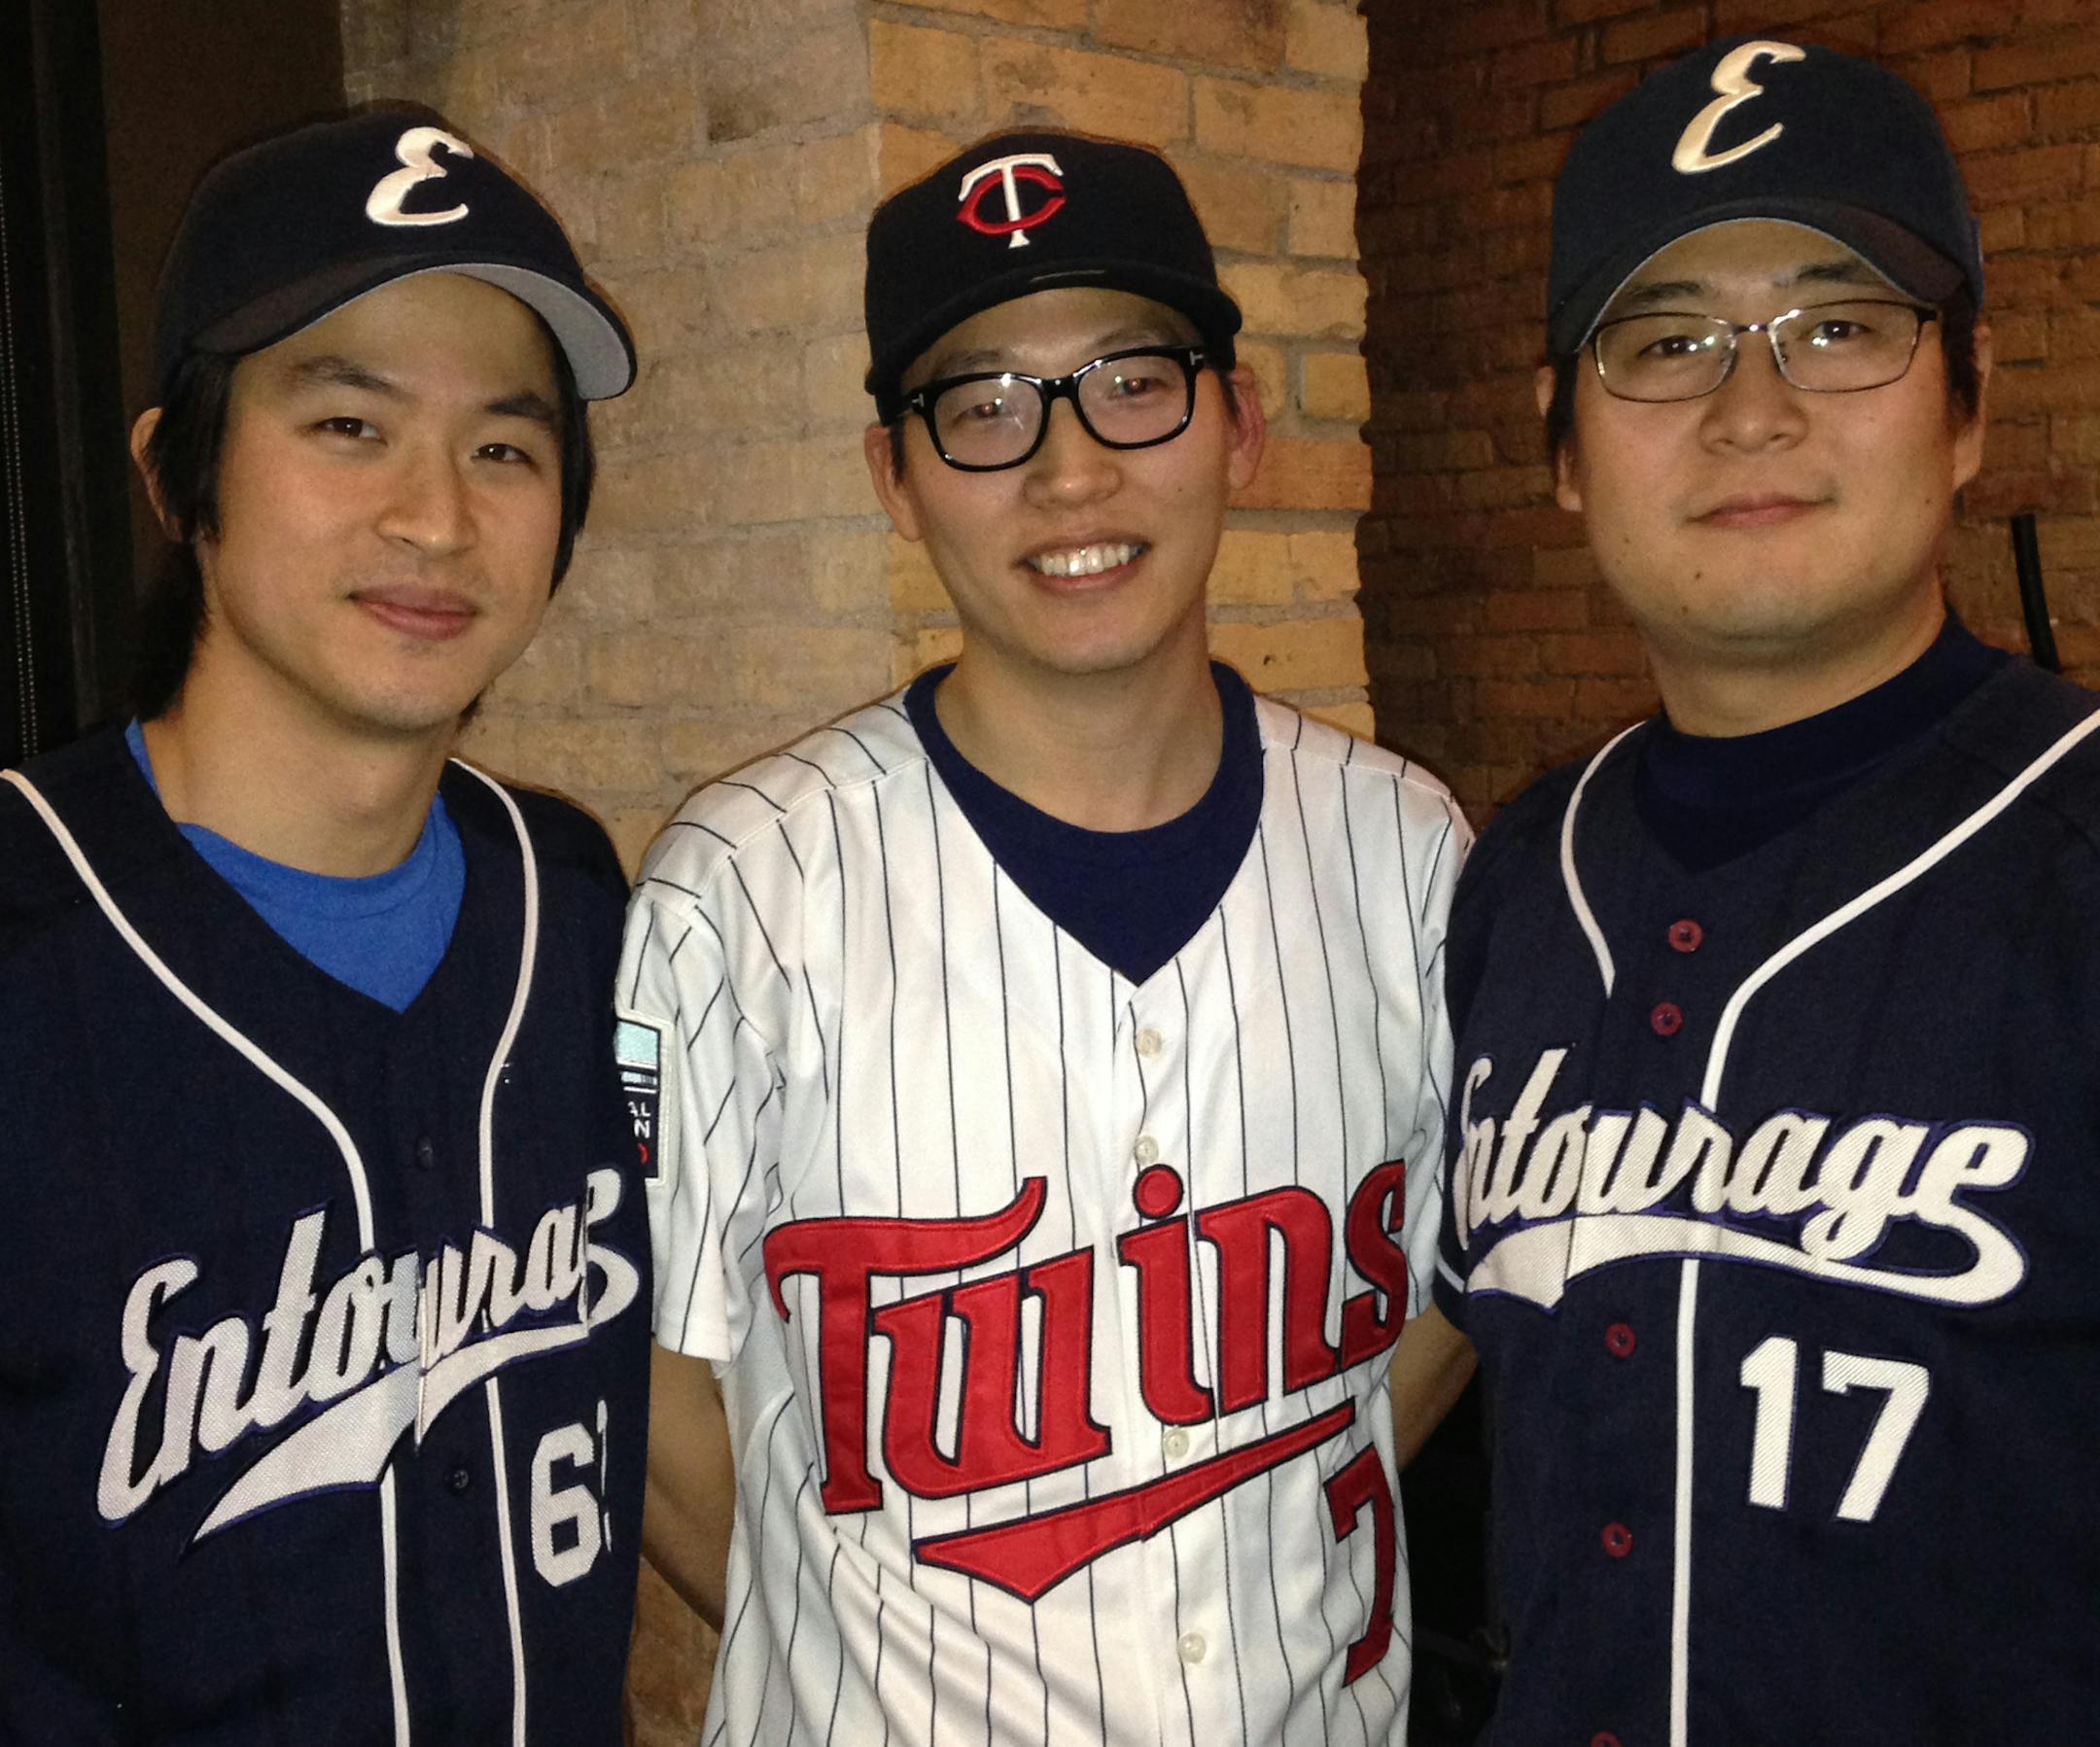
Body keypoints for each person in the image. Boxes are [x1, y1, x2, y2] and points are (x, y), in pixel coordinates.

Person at [619, 130, 1476, 1743]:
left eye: (1131, 379)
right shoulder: (740, 886)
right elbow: (661, 1384)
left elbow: (1444, 1296)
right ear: (895, 473)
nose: (1069, 472)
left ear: (1241, 425)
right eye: (986, 405)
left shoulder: (1407, 848)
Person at [1435, 36, 2100, 1746]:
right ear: (1563, 443)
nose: (1753, 408)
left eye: (1840, 324)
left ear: (1966, 406)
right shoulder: (1512, 881)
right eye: (1666, 342)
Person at [0, 112, 651, 1742]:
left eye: (505, 446)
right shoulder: (28, 935)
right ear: (175, 470)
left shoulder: (574, 904)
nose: (436, 517)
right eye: (350, 422)